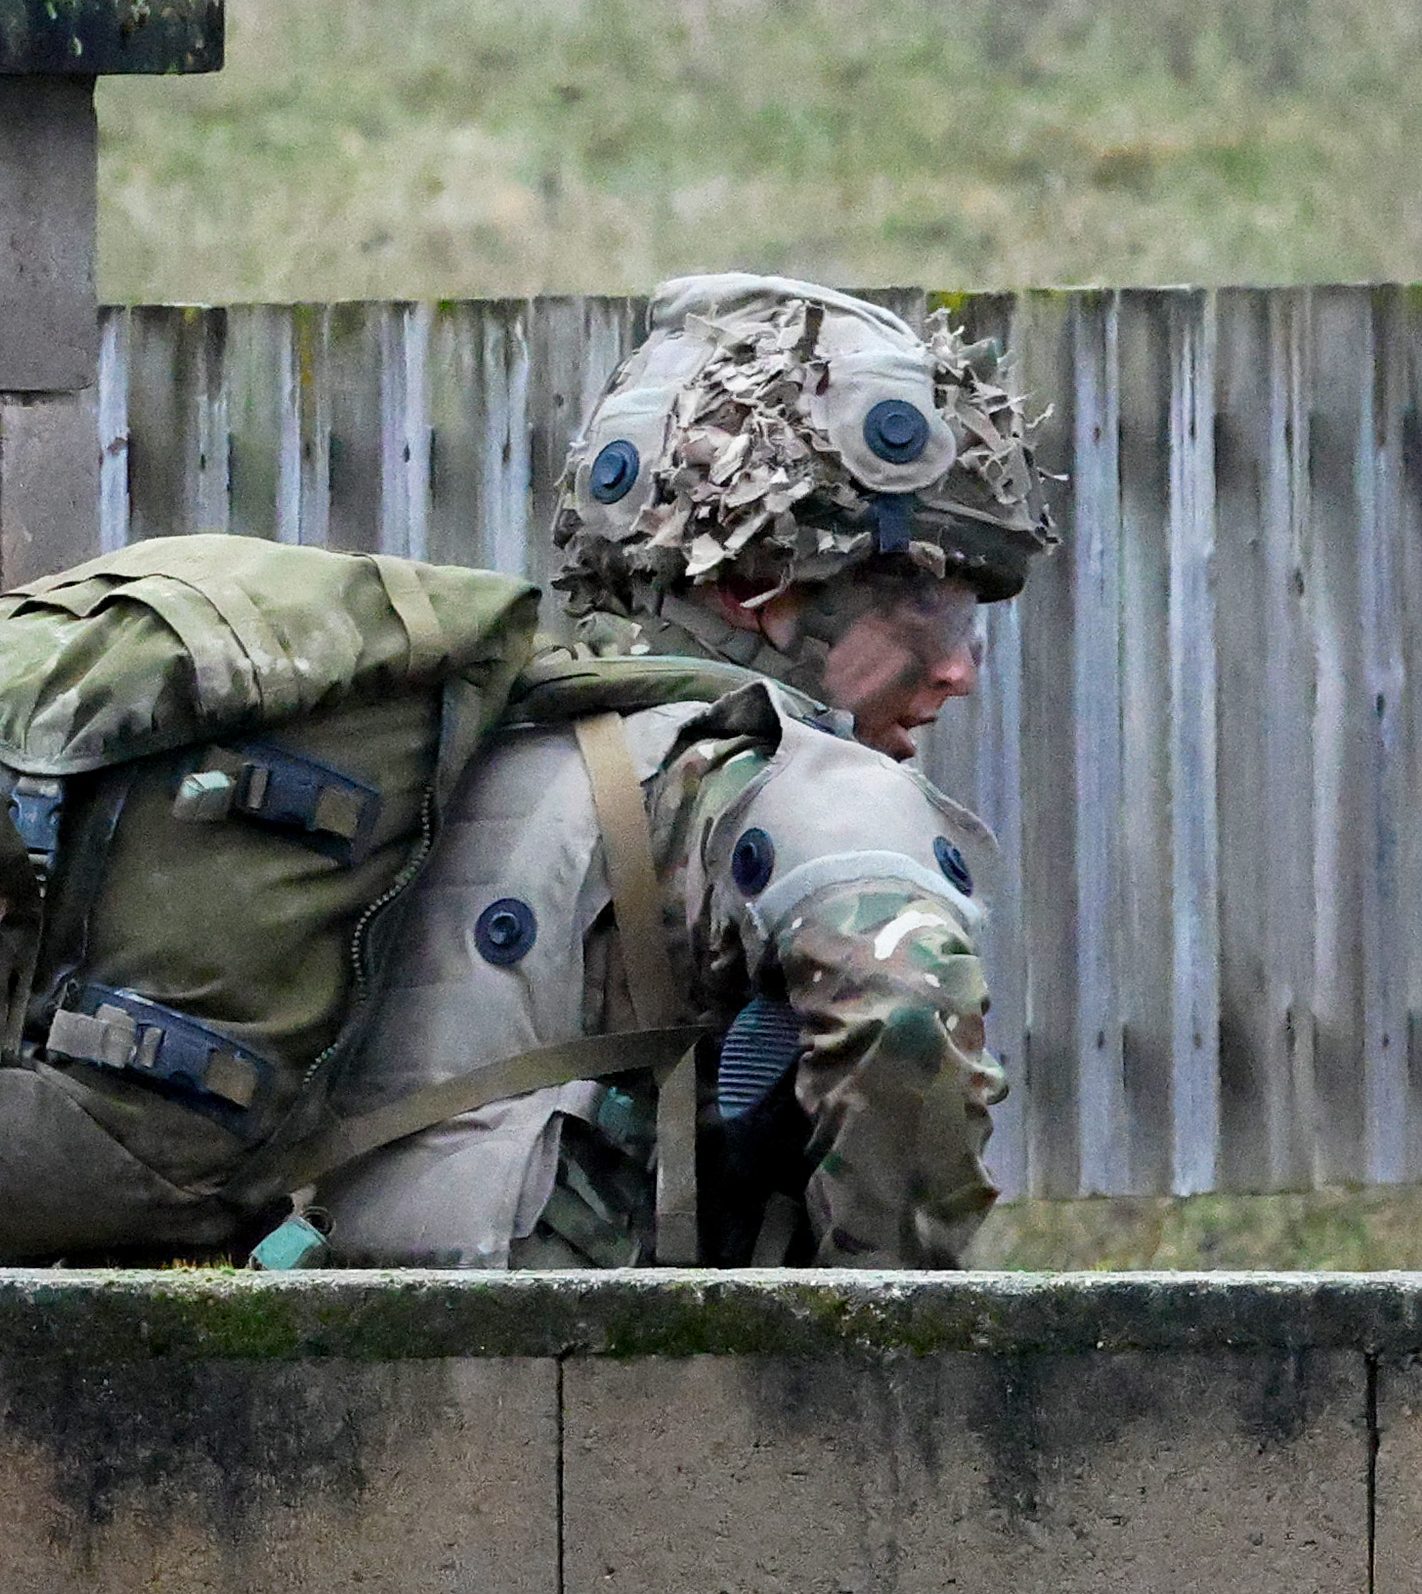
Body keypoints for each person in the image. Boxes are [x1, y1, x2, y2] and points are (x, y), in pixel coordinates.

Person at [303, 273, 1027, 1270]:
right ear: (746, 587)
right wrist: (887, 1345)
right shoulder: (779, 774)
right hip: (606, 1395)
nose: (955, 667)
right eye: (916, 602)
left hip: (330, 1357)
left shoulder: (475, 743)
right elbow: (904, 1016)